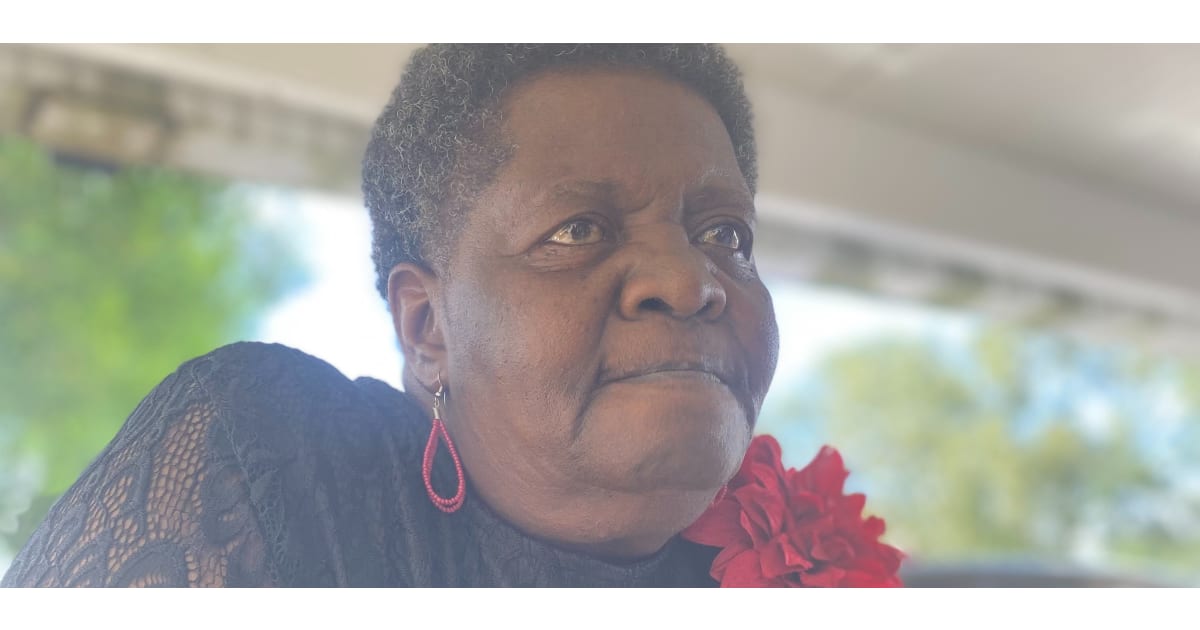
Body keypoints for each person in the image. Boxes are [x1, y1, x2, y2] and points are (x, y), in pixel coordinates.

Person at [1, 43, 780, 587]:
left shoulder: (787, 568)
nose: (690, 280)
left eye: (726, 235)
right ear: (427, 328)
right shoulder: (276, 462)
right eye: (578, 230)